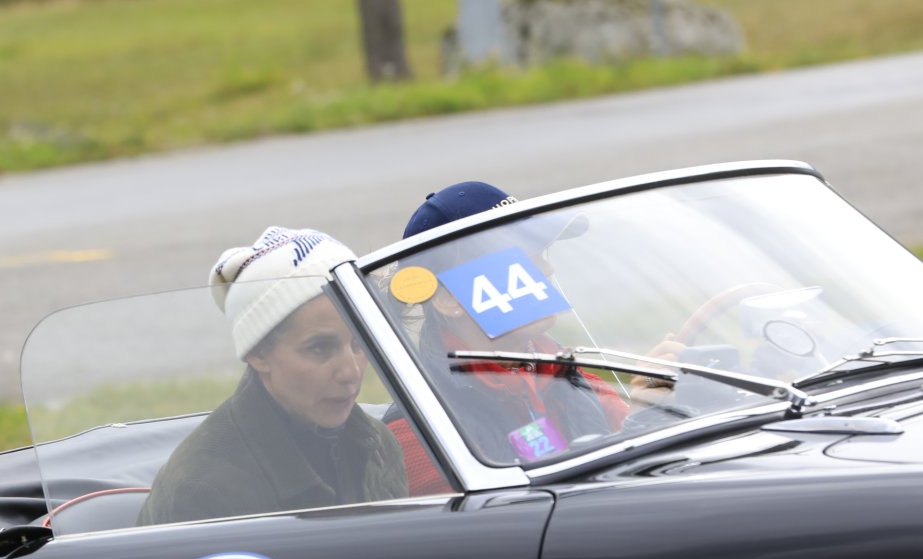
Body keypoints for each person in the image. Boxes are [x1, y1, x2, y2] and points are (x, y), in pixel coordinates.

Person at [387, 182, 681, 493]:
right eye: (520, 259)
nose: (547, 269)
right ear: (449, 299)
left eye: (540, 254)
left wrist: (648, 411)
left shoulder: (574, 381)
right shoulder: (418, 434)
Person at [136, 226, 408, 526]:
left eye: (359, 343)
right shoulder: (202, 491)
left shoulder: (379, 445)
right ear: (258, 353)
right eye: (320, 348)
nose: (351, 372)